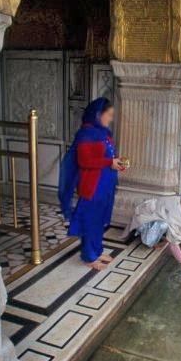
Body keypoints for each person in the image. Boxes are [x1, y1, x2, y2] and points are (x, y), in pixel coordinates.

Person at [59, 97, 125, 270]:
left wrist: (116, 162)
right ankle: (89, 256)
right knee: (90, 220)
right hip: (93, 186)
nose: (110, 119)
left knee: (99, 220)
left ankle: (97, 250)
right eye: (108, 115)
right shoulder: (86, 134)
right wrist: (108, 162)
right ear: (98, 114)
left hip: (106, 184)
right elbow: (85, 161)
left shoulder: (104, 133)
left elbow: (105, 157)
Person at [123, 193, 181, 272]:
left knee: (169, 227)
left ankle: (161, 238)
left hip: (153, 214)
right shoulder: (176, 214)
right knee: (163, 225)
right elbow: (173, 245)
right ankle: (149, 239)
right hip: (144, 219)